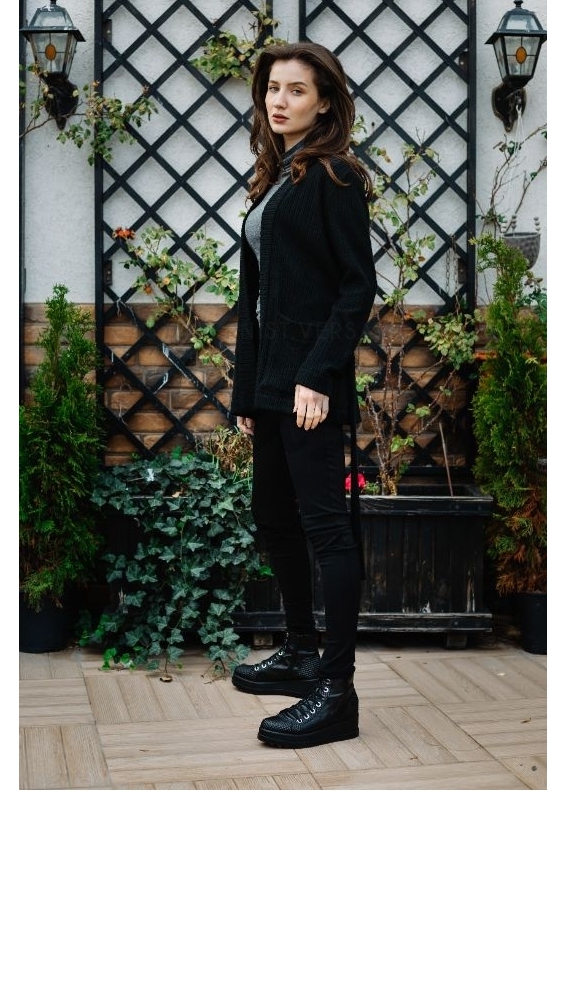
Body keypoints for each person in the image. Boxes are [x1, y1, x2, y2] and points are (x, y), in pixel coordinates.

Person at [229, 41, 377, 748]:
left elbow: (356, 288)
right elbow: (257, 298)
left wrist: (315, 376)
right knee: (272, 516)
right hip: (271, 385)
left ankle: (336, 690)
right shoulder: (277, 178)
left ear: (323, 103)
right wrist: (248, 392)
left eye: (296, 90)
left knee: (326, 529)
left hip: (308, 387)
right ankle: (298, 649)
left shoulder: (334, 176)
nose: (279, 101)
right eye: (272, 89)